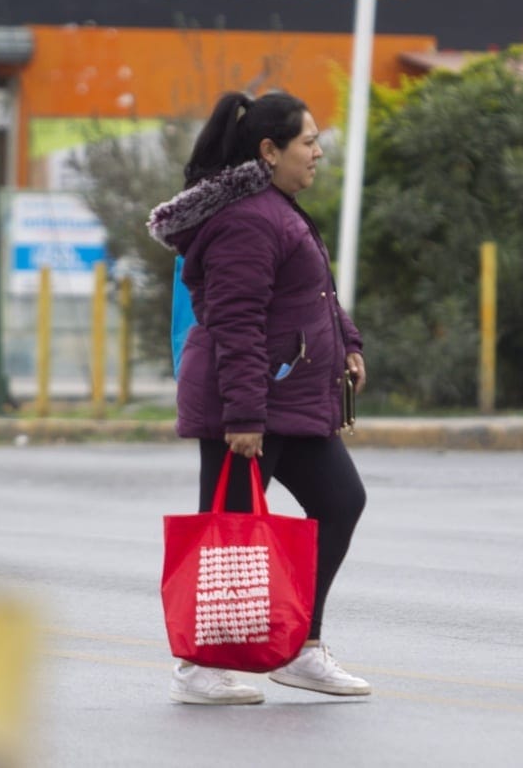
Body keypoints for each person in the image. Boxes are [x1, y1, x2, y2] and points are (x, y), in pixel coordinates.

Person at [148, 91, 370, 705]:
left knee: (341, 500)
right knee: (229, 534)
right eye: (308, 142)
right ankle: (197, 666)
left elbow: (313, 295)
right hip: (247, 405)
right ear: (269, 151)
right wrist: (244, 416)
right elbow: (236, 321)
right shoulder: (249, 218)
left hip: (288, 398)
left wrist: (348, 342)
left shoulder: (279, 208)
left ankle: (302, 647)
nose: (318, 152)